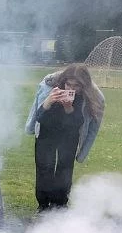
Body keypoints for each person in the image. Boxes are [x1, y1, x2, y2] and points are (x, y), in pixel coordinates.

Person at [24, 63, 105, 211]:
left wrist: (68, 107)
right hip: (46, 132)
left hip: (70, 135)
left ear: (83, 85)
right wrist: (48, 101)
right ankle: (43, 205)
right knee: (44, 167)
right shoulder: (49, 87)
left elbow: (80, 123)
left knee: (65, 168)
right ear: (63, 81)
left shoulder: (92, 95)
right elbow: (40, 117)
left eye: (76, 86)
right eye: (68, 84)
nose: (71, 89)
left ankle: (60, 204)